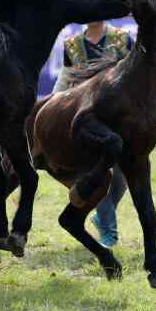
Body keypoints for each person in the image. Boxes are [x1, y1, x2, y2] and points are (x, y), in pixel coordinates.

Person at [53, 20, 134, 248]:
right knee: (99, 174)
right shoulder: (72, 45)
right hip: (86, 121)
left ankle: (101, 217)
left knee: (121, 179)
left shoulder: (123, 39)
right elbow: (65, 78)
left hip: (119, 118)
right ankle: (109, 231)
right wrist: (53, 104)